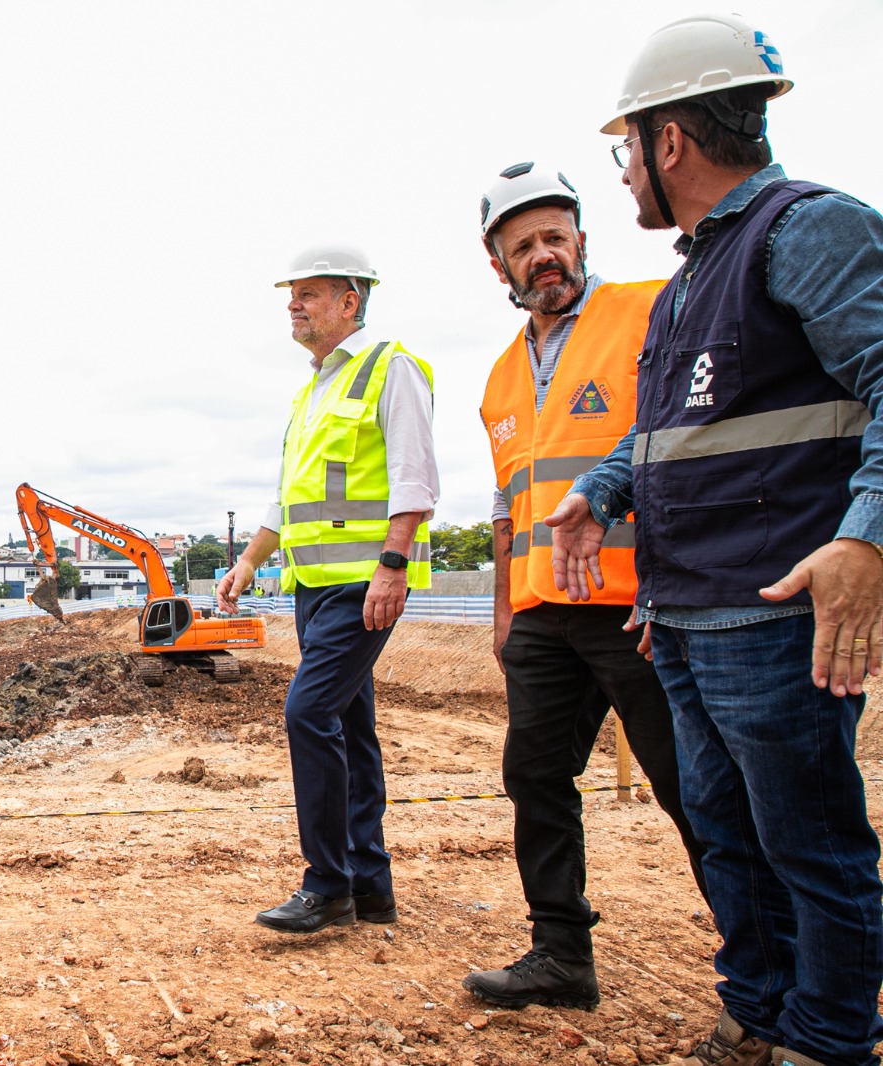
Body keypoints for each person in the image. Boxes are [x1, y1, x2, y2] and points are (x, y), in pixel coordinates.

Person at [546, 15, 883, 1066]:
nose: (625, 175)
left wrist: (864, 540)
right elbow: (669, 436)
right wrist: (600, 491)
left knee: (810, 847)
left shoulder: (806, 230)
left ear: (671, 142)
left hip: (774, 616)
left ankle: (828, 1041)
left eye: (626, 152)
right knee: (728, 838)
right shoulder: (695, 274)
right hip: (686, 616)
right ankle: (759, 1013)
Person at [462, 163, 709, 1011]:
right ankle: (560, 953)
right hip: (541, 614)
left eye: (554, 238)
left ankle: (765, 966)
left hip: (639, 605)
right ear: (499, 264)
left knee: (692, 788)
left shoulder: (646, 310)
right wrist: (503, 613)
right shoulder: (498, 376)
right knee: (534, 778)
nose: (543, 256)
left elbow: (681, 430)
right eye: (523, 245)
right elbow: (506, 507)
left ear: (580, 240)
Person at [216, 247, 438, 934]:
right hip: (313, 585)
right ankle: (370, 887)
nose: (294, 304)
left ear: (351, 300)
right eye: (292, 294)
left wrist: (392, 567)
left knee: (307, 713)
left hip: (363, 584)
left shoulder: (390, 368)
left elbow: (415, 477)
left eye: (309, 293)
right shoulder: (311, 391)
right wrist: (250, 562)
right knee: (349, 727)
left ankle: (327, 885)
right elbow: (289, 500)